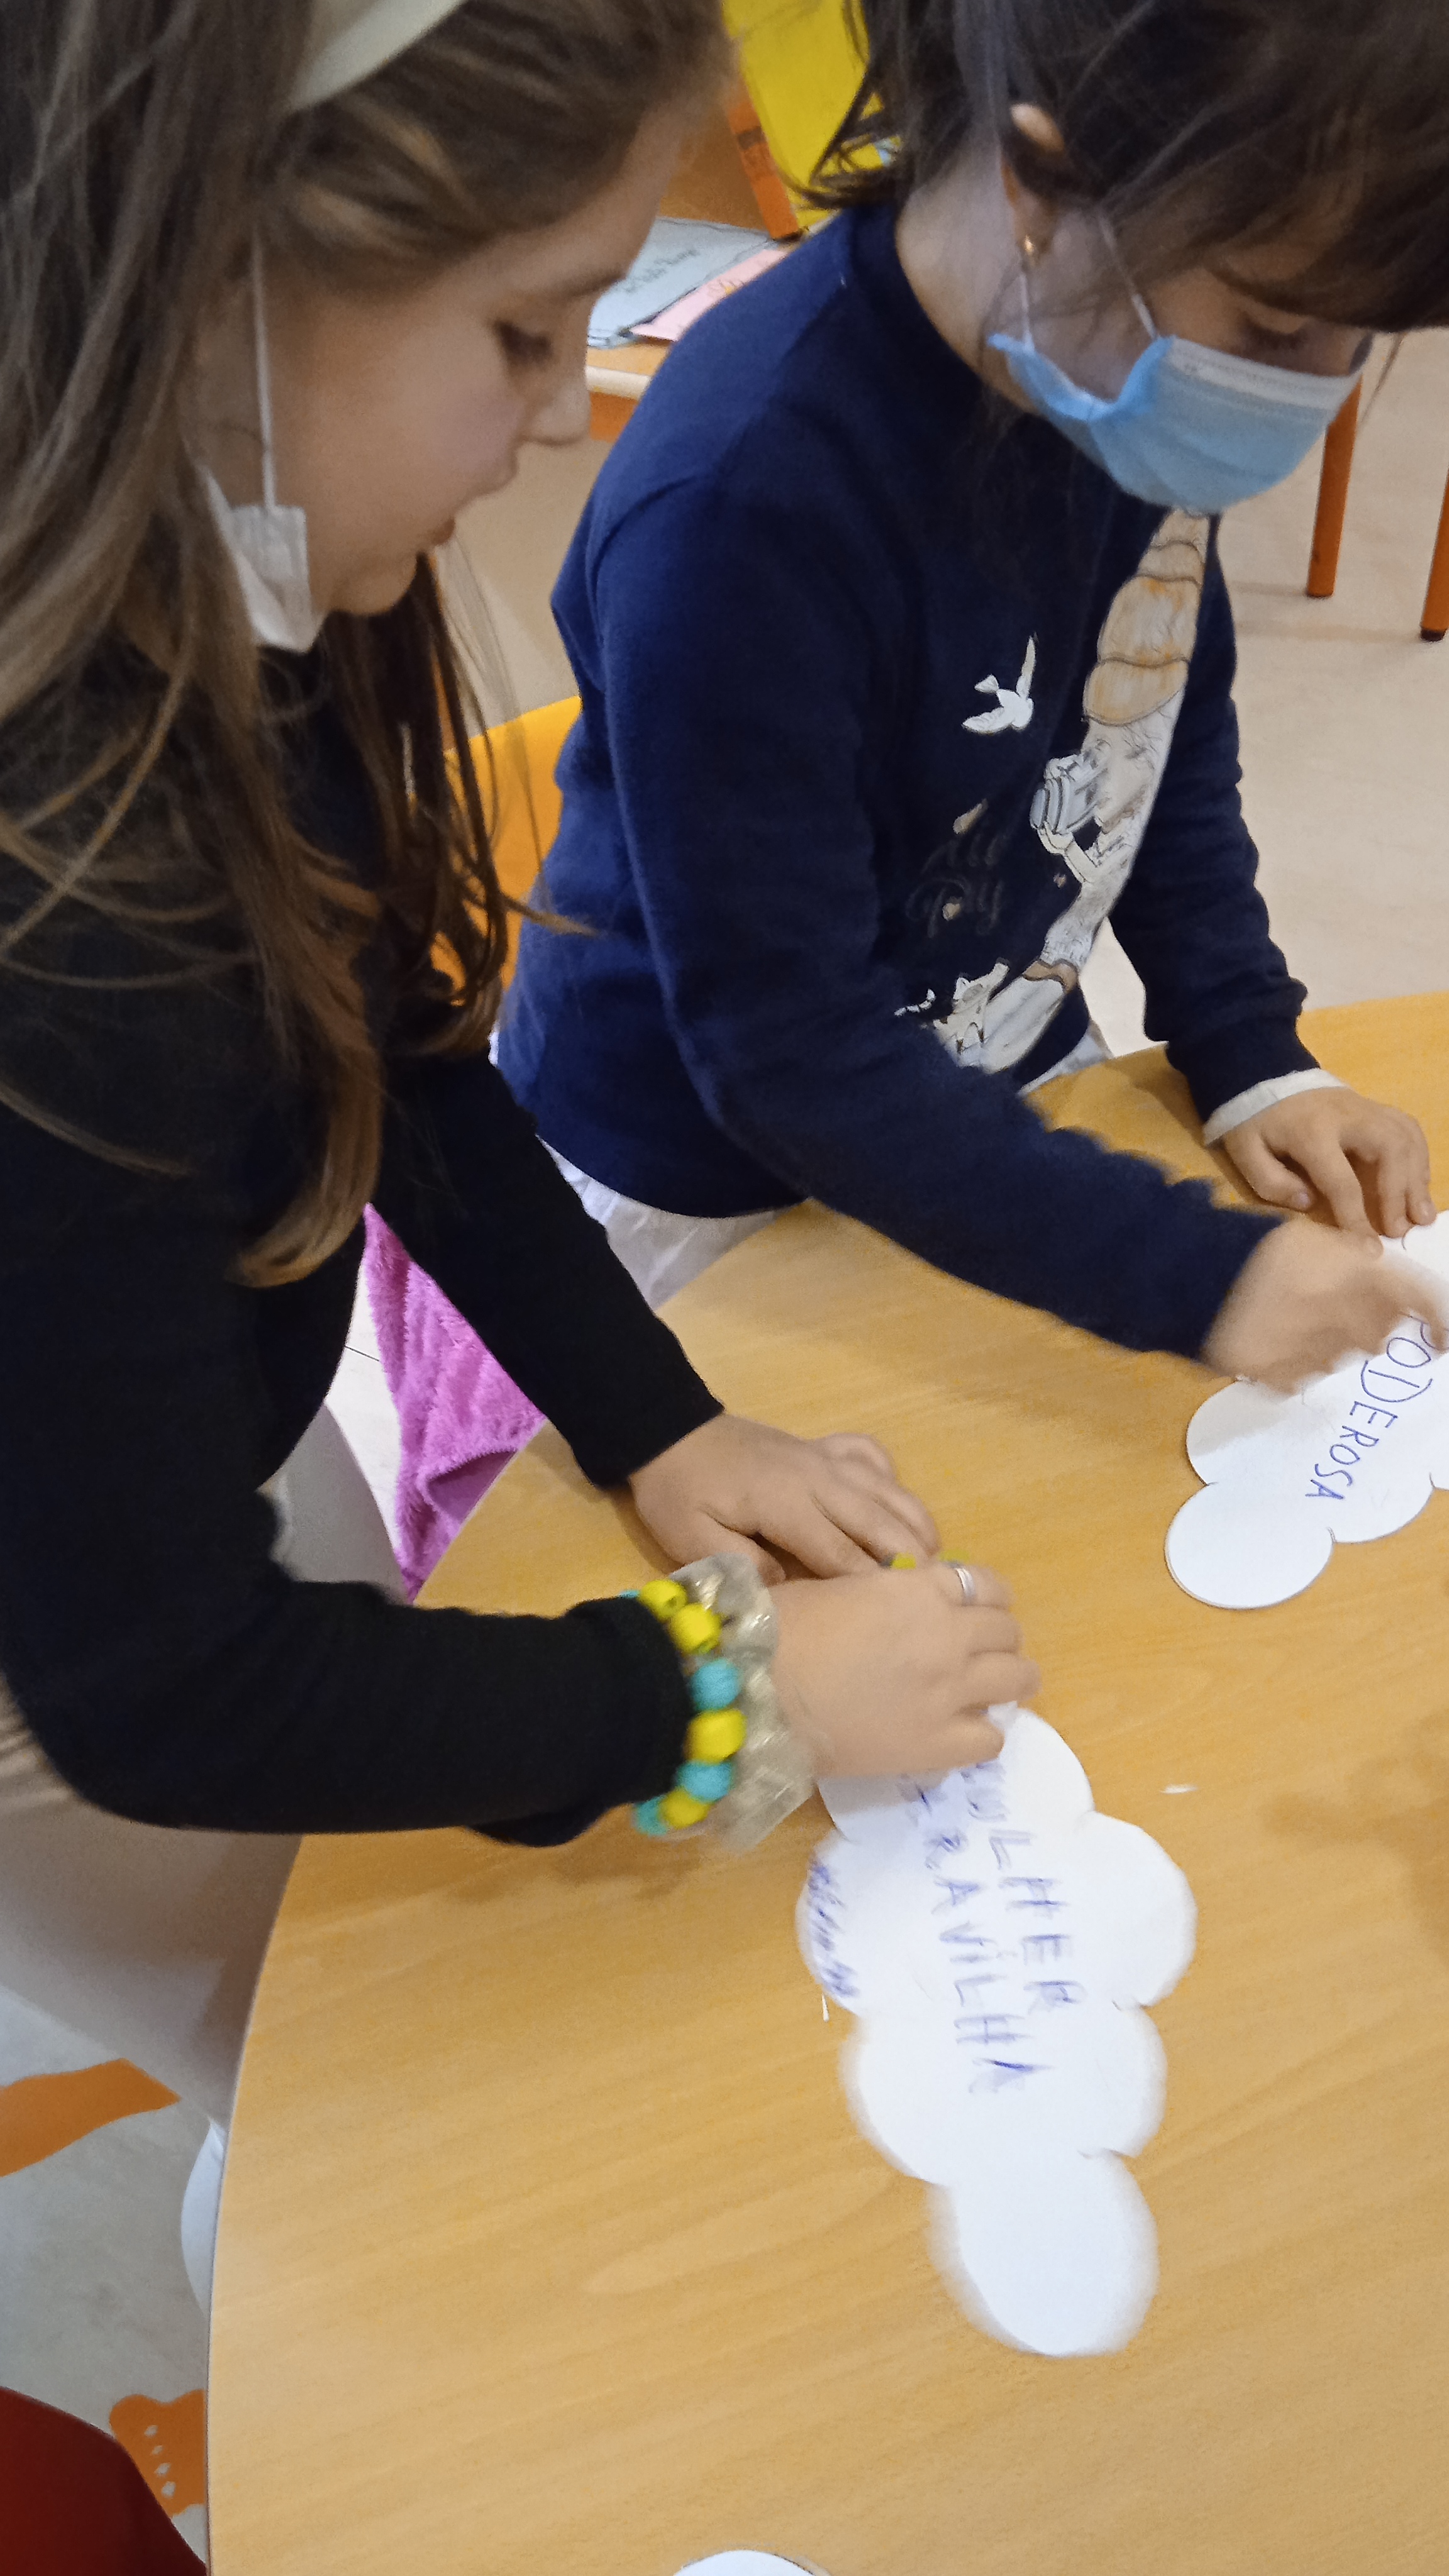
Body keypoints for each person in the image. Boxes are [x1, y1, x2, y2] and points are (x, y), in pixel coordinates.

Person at [0, 0, 1039, 2192]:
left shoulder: (244, 551)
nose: (569, 411)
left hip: (175, 1447)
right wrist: (722, 1696)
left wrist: (653, 1418)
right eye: (525, 330)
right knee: (354, 2105)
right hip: (63, 1676)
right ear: (220, 276)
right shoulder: (67, 923)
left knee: (380, 1821)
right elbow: (161, 1686)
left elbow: (388, 1049)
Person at [497, 0, 1449, 1388]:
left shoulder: (1108, 369)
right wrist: (1192, 1271)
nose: (1307, 397)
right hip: (707, 1174)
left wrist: (1249, 1045)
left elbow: (1155, 735)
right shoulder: (744, 506)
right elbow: (782, 1045)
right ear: (1041, 181)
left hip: (985, 1075)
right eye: (1279, 323)